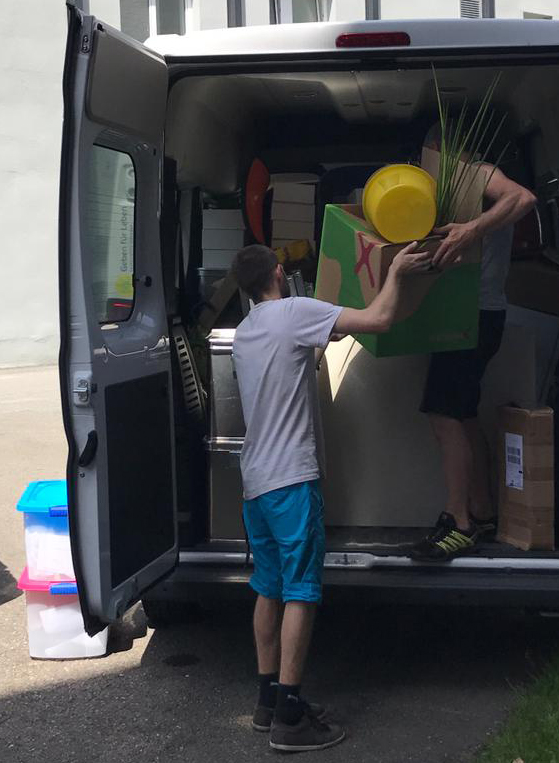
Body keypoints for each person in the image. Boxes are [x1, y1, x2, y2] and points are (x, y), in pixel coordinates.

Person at [230, 241, 432, 752]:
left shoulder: (247, 331)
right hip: (292, 481)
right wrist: (398, 270)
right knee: (301, 591)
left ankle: (267, 702)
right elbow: (380, 319)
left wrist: (327, 330)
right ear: (279, 273)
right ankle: (291, 717)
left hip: (256, 481)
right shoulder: (296, 312)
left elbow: (300, 354)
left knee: (269, 587)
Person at [410, 122, 537, 561]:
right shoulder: (459, 186)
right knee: (461, 414)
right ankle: (481, 511)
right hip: (471, 316)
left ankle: (458, 523)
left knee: (443, 414)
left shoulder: (478, 173)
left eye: (431, 152)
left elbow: (523, 198)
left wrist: (472, 230)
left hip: (473, 317)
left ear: (444, 150)